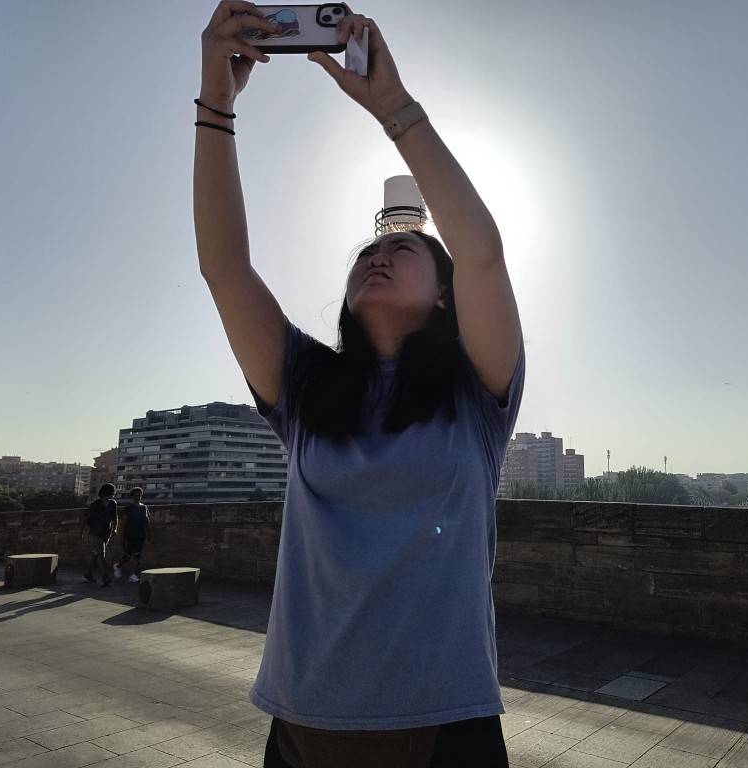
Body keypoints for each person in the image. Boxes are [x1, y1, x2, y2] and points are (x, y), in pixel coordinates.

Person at [195, 3, 523, 766]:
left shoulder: (477, 394)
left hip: (447, 722)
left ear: (443, 295)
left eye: (406, 248)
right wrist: (215, 103)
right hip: (304, 721)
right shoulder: (306, 387)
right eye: (369, 251)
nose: (379, 254)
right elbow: (225, 268)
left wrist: (393, 109)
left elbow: (483, 254)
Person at [79, 482, 116, 586]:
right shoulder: (95, 504)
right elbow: (86, 519)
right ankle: (105, 576)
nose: (114, 494)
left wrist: (115, 529)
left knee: (97, 554)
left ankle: (88, 573)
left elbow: (114, 518)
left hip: (106, 532)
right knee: (101, 553)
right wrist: (80, 533)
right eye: (113, 492)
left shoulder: (113, 503)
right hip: (95, 532)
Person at [113, 486, 151, 583]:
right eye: (136, 495)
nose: (138, 497)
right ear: (132, 496)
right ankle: (118, 566)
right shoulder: (128, 508)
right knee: (128, 555)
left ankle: (133, 574)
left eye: (139, 495)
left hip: (140, 534)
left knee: (137, 554)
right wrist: (122, 536)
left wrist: (149, 532)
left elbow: (146, 521)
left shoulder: (144, 508)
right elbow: (124, 523)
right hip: (130, 534)